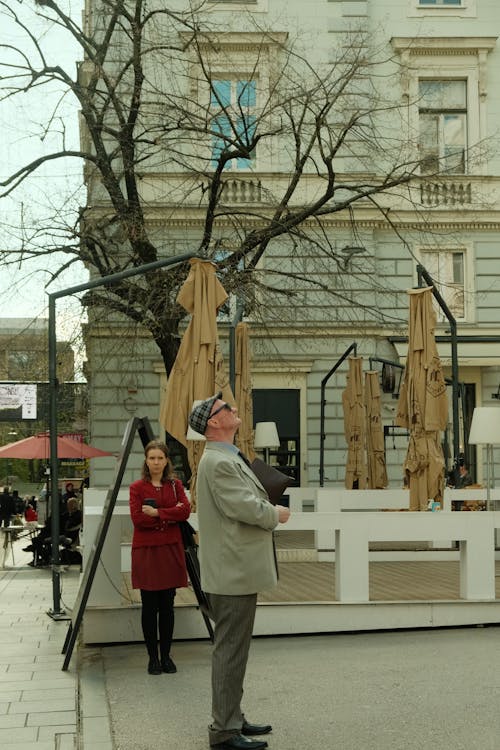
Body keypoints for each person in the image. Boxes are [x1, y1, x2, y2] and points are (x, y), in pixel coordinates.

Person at [190, 392, 291, 750]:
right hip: (231, 573)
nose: (233, 410)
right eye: (226, 409)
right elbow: (243, 507)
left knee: (234, 648)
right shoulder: (218, 462)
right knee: (230, 649)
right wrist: (274, 515)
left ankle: (232, 715)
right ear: (213, 423)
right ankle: (224, 730)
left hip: (235, 570)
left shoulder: (226, 459)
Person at [129, 439, 191, 676]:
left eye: (160, 458)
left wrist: (157, 513)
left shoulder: (175, 485)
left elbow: (185, 511)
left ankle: (166, 656)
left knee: (168, 606)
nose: (156, 462)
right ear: (146, 460)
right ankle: (152, 658)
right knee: (149, 605)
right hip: (147, 550)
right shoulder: (137, 487)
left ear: (167, 461)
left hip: (169, 548)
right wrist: (170, 515)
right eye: (152, 458)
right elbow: (138, 520)